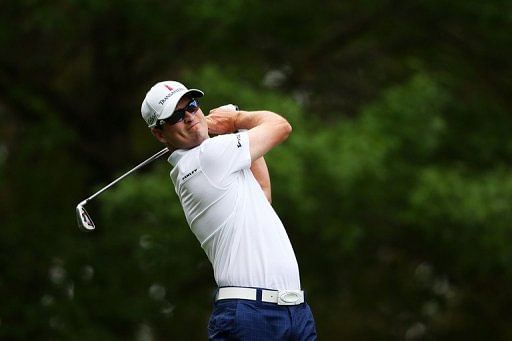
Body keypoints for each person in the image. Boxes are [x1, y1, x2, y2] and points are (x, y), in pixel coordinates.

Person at [141, 81, 317, 340]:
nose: (190, 117)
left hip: (293, 311)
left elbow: (262, 191)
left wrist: (237, 126)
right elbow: (280, 126)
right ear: (160, 134)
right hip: (251, 316)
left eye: (191, 106)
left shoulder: (214, 159)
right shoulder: (207, 157)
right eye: (177, 116)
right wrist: (236, 118)